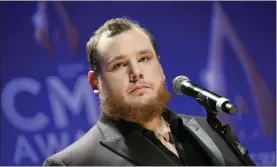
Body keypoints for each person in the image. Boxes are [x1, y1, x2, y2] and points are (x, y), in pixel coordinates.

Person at [43, 17, 245, 166]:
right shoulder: (72, 163)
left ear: (160, 67)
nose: (136, 72)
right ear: (95, 82)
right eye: (119, 65)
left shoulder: (211, 129)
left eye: (144, 59)